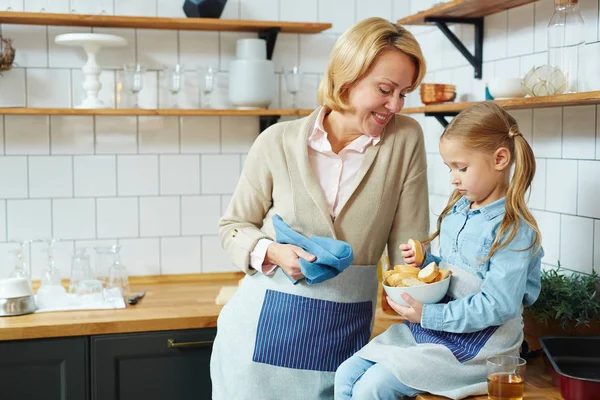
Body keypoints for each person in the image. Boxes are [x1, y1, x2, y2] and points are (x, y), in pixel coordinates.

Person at [210, 17, 430, 400]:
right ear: (347, 76)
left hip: (343, 343)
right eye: (385, 89)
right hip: (254, 345)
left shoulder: (405, 139)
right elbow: (233, 225)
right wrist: (275, 252)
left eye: (404, 93)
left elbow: (409, 250)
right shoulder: (276, 141)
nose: (395, 105)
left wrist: (430, 314)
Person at [335, 101, 544, 399]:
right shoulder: (459, 211)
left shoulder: (513, 230)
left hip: (481, 346)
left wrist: (429, 316)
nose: (453, 178)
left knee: (374, 385)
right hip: (437, 331)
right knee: (346, 373)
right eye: (450, 168)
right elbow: (454, 272)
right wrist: (426, 262)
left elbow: (500, 305)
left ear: (500, 159)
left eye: (462, 167)